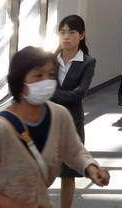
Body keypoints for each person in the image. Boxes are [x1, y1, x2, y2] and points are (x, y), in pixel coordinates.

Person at [0, 46, 109, 207]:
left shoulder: (59, 115)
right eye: (38, 75)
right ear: (20, 80)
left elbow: (73, 151)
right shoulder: (1, 128)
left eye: (51, 75)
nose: (46, 81)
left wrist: (92, 169)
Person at [52, 15, 96, 208]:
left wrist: (53, 93)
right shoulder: (49, 60)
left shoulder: (87, 62)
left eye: (71, 32)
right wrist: (64, 93)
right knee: (37, 169)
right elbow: (43, 90)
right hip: (48, 121)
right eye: (62, 32)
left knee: (68, 174)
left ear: (82, 36)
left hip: (72, 125)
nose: (66, 37)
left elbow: (79, 95)